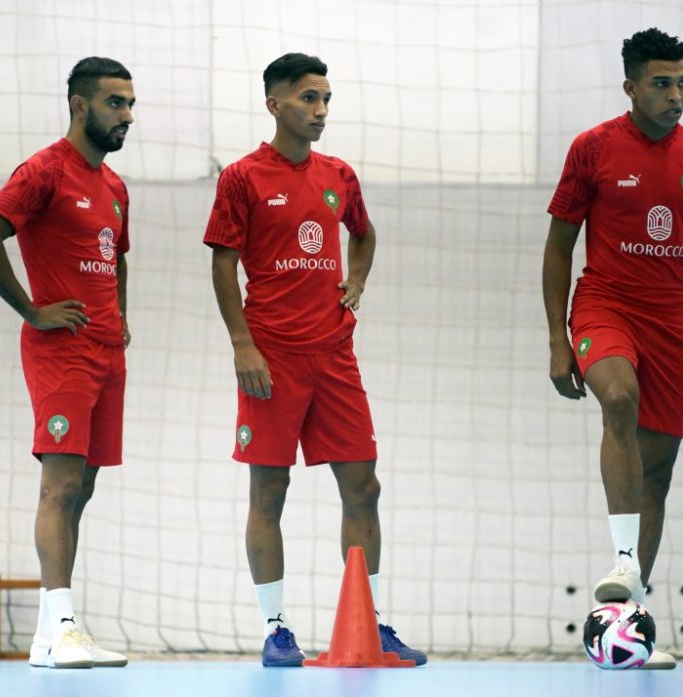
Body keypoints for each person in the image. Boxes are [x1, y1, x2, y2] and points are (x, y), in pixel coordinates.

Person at [203, 52, 426, 668]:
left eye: (326, 98)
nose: (320, 110)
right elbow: (222, 263)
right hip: (270, 356)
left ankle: (373, 623)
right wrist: (242, 344)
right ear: (275, 104)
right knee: (269, 491)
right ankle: (276, 629)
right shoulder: (242, 177)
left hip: (334, 354)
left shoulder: (339, 174)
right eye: (308, 98)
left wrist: (357, 280)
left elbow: (365, 232)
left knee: (364, 486)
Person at [542, 28, 683, 670]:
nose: (675, 95)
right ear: (631, 87)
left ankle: (630, 624)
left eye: (682, 83)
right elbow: (557, 248)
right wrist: (556, 340)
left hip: (669, 323)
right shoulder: (592, 148)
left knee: (659, 473)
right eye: (661, 83)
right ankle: (623, 559)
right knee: (617, 397)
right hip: (603, 305)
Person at [0, 56, 135, 669]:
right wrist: (32, 310)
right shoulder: (43, 171)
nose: (127, 115)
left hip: (106, 352)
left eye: (131, 104)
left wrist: (120, 318)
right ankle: (63, 625)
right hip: (60, 352)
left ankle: (48, 632)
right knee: (60, 486)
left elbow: (115, 257)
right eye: (115, 103)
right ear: (80, 105)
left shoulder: (114, 187)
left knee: (82, 489)